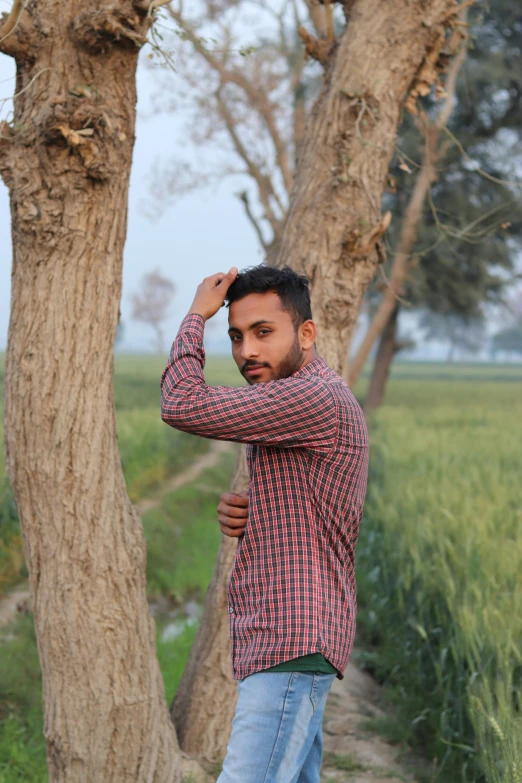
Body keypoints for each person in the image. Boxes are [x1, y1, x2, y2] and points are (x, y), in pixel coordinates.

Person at [160, 264, 369, 783]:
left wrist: (195, 317)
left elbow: (181, 403)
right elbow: (315, 507)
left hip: (293, 641)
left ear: (306, 333)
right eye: (235, 336)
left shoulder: (311, 396)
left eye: (263, 332)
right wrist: (256, 515)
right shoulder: (298, 396)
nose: (246, 351)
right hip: (285, 640)